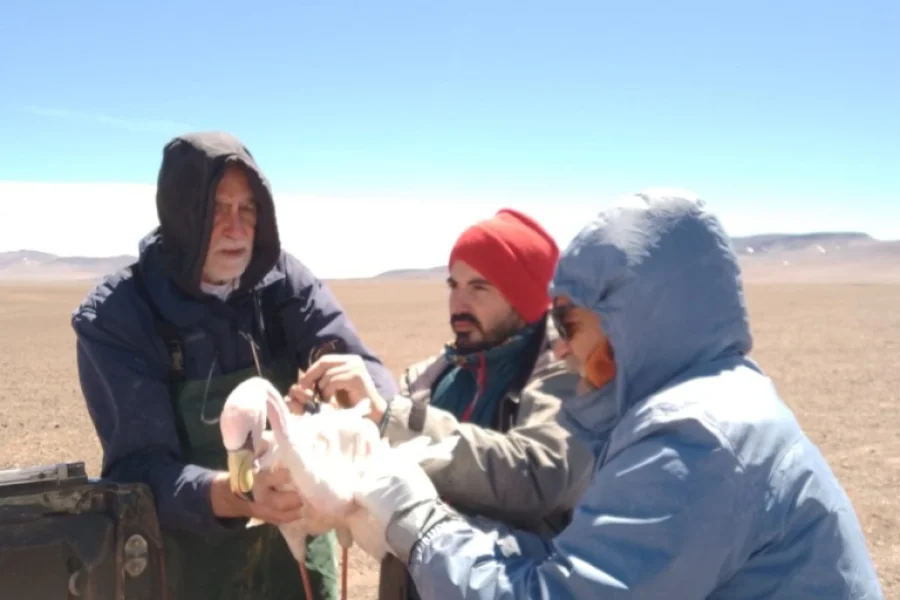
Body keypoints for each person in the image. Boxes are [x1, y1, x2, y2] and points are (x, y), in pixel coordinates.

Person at [344, 189, 885, 599]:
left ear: (630, 321)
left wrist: (420, 523)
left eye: (571, 323)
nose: (561, 350)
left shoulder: (693, 437)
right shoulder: (708, 399)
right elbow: (588, 557)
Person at [71, 131, 398, 600]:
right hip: (190, 567)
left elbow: (348, 355)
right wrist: (235, 492)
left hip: (297, 555)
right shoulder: (121, 314)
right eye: (217, 209)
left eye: (248, 209)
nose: (237, 228)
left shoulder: (283, 282)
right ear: (182, 217)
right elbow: (138, 469)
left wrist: (360, 393)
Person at [293, 209, 596, 600]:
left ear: (522, 299)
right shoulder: (432, 378)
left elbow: (539, 471)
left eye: (479, 288)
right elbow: (378, 464)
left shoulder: (568, 374)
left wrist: (389, 416)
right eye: (453, 285)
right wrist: (328, 430)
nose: (458, 303)